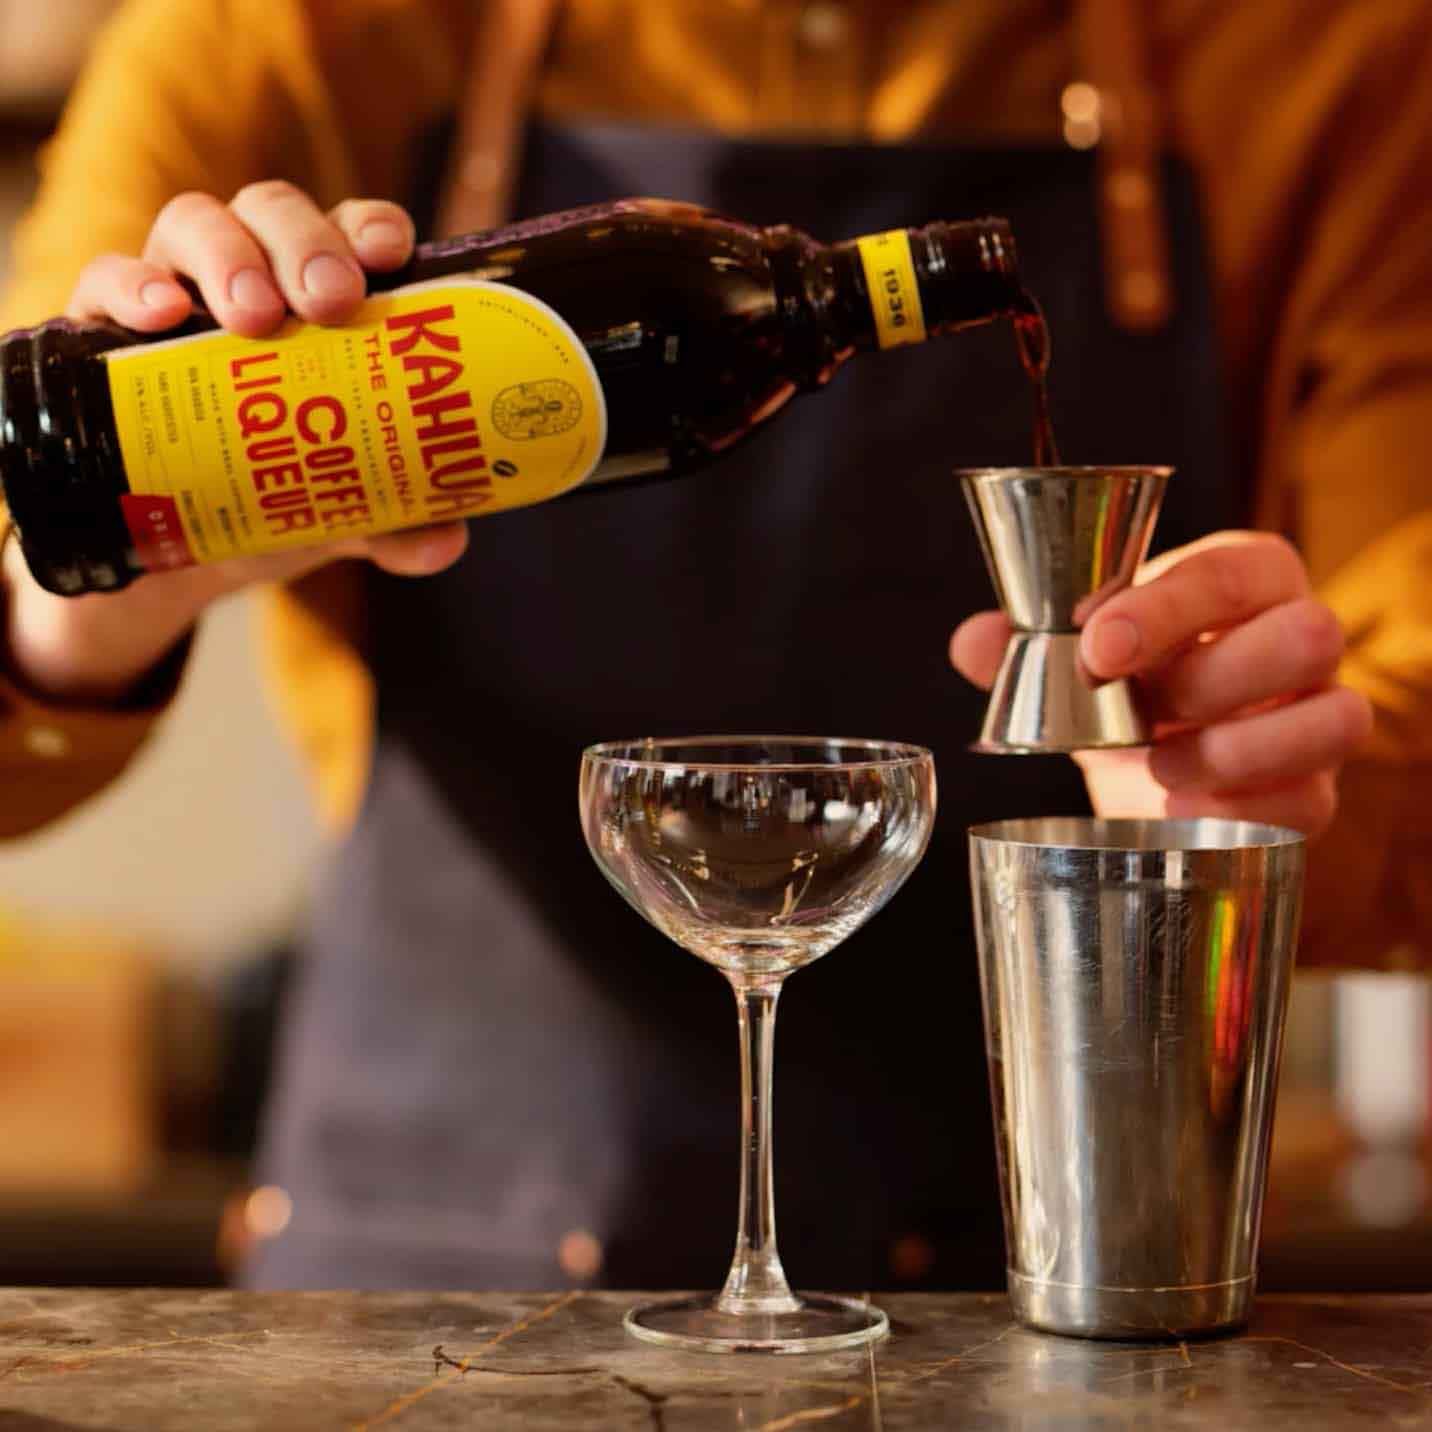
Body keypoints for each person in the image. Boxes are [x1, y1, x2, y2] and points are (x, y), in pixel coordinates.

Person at [0, 0, 1426, 1291]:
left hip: (1062, 1286)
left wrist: (1259, 795)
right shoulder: (292, 31)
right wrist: (95, 590)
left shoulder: (1336, 55)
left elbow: (1405, 706)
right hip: (429, 1289)